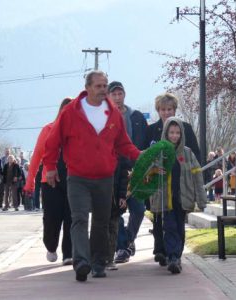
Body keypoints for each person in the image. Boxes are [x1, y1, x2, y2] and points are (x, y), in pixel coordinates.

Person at [42, 71, 141, 282]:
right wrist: (50, 167)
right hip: (77, 176)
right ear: (87, 87)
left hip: (105, 177)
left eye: (105, 85)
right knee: (79, 218)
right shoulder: (70, 112)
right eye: (98, 86)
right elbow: (53, 141)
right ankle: (81, 262)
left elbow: (123, 143)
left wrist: (139, 156)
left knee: (101, 222)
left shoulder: (113, 113)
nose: (103, 89)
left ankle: (98, 263)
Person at [145, 92, 200, 267]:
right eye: (163, 109)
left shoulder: (186, 129)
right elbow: (144, 156)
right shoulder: (151, 131)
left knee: (176, 223)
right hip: (158, 187)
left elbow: (196, 157)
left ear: (175, 110)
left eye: (170, 109)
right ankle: (162, 251)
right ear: (158, 111)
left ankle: (173, 254)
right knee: (160, 220)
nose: (166, 112)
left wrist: (197, 187)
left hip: (181, 187)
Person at [150, 117, 206, 274]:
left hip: (183, 198)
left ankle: (177, 255)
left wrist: (202, 200)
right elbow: (147, 173)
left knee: (179, 227)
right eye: (171, 132)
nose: (174, 136)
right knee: (170, 226)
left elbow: (198, 178)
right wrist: (154, 170)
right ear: (166, 133)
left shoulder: (188, 154)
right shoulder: (159, 152)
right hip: (165, 198)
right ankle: (173, 257)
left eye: (177, 133)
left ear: (181, 134)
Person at [24, 98, 73, 266]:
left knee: (71, 217)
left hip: (72, 180)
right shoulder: (48, 129)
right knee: (52, 217)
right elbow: (37, 156)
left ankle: (69, 253)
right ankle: (51, 246)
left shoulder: (78, 133)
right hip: (49, 182)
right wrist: (29, 183)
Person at [106, 80, 148, 267]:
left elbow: (146, 142)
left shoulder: (136, 116)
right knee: (116, 212)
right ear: (109, 96)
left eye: (119, 94)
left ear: (124, 94)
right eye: (113, 94)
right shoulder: (105, 117)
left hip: (136, 169)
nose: (117, 97)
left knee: (138, 209)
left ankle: (128, 240)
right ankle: (122, 247)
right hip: (114, 170)